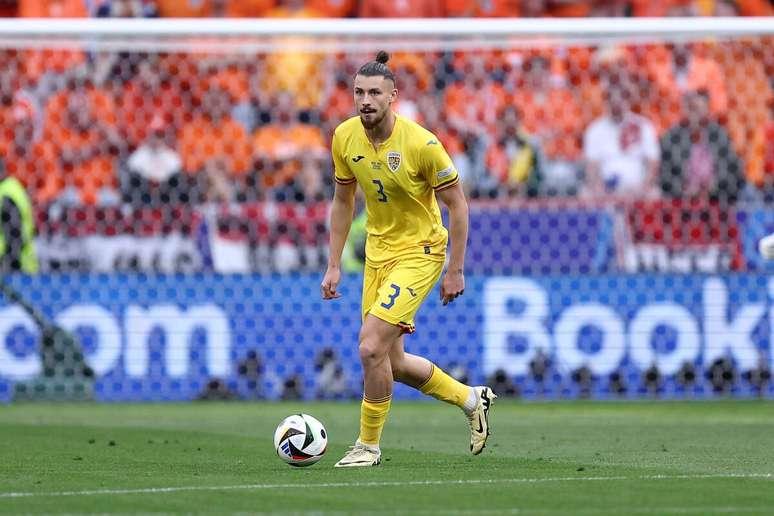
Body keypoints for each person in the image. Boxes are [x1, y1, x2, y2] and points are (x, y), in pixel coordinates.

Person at [321, 51, 496, 468]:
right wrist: (332, 263)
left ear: (393, 96)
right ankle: (472, 399)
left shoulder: (421, 144)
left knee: (368, 348)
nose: (365, 100)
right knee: (391, 362)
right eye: (359, 92)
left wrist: (455, 269)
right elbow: (343, 201)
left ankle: (368, 446)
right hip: (378, 254)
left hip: (421, 252)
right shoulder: (345, 137)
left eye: (374, 93)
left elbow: (458, 205)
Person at [0, 158, 39, 274]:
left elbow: (15, 235)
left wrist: (6, 265)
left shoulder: (6, 195)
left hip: (16, 268)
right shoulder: (12, 188)